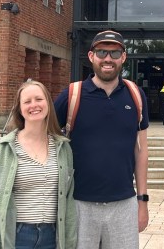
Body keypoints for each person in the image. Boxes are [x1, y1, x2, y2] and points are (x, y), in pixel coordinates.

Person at [54, 30, 150, 249]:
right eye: (102, 52)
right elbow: (43, 132)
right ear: (91, 56)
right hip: (79, 204)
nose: (108, 59)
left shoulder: (135, 95)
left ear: (123, 57)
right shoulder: (72, 94)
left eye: (115, 53)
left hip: (124, 204)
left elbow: (141, 150)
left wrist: (142, 201)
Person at [0, 80, 77, 249]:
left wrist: (70, 243)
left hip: (52, 236)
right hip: (17, 237)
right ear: (20, 109)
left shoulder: (63, 149)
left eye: (39, 99)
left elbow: (69, 203)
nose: (34, 105)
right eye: (27, 101)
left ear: (48, 104)